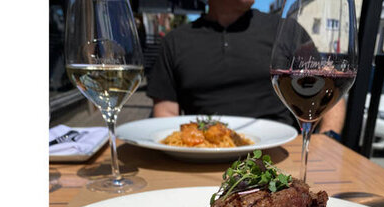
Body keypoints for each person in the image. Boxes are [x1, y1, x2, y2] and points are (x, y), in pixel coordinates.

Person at [146, 0, 345, 136]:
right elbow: (166, 113)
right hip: (204, 149)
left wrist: (327, 139)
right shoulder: (175, 42)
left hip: (281, 152)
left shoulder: (285, 30)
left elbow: (328, 91)